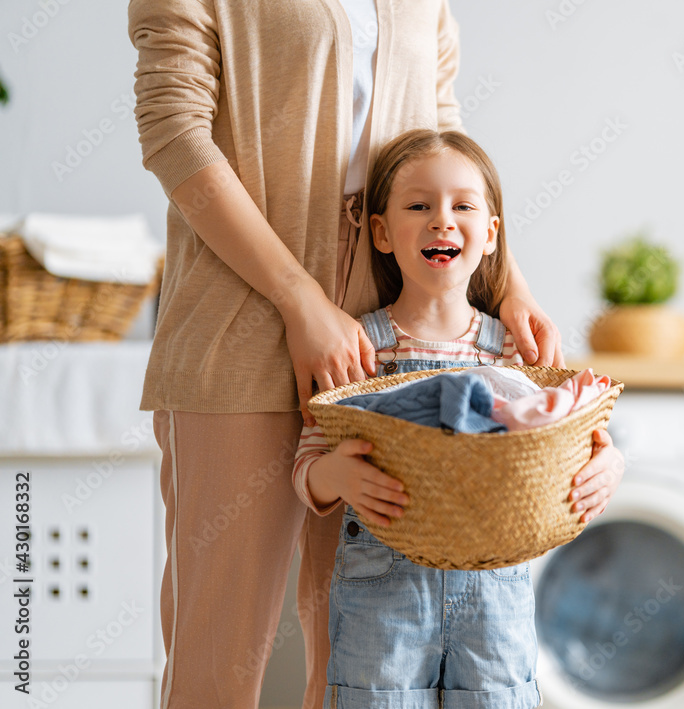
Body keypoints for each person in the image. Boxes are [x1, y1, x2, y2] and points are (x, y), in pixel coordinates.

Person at [128, 1, 622, 706]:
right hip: (238, 330)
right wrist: (301, 301)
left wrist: (506, 283)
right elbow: (173, 132)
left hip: (387, 348)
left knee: (358, 665)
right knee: (220, 666)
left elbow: (441, 137)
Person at [292, 129, 624, 708]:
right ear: (381, 232)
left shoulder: (514, 354)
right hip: (382, 593)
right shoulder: (360, 351)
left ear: (491, 234)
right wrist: (333, 478)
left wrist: (610, 461)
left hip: (495, 593)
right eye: (418, 206)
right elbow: (306, 459)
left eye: (462, 206)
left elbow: (567, 434)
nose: (441, 221)